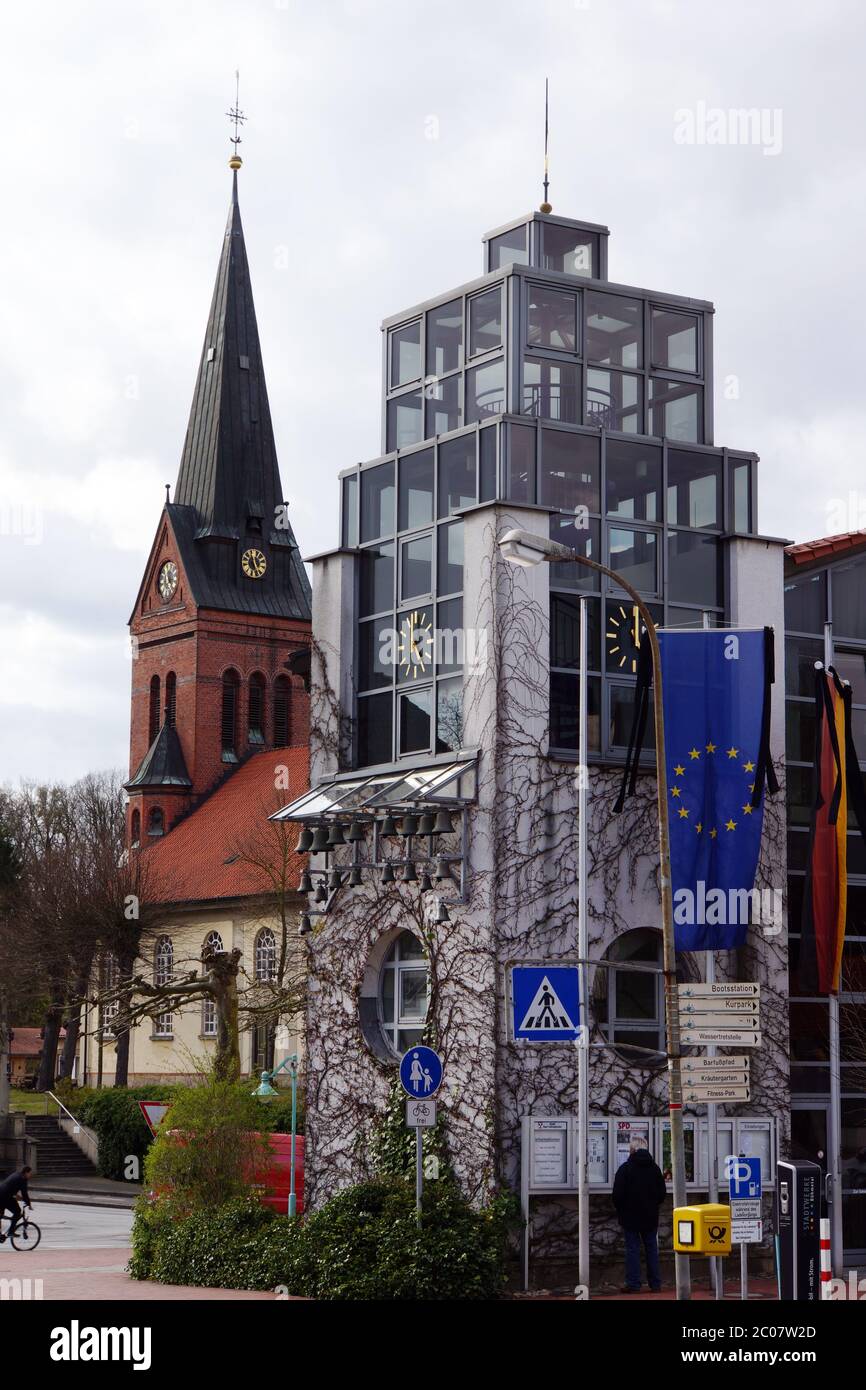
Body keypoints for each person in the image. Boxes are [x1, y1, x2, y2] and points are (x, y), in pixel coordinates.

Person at [612, 1138, 667, 1293]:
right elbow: (662, 1193)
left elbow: (617, 1195)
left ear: (632, 1150)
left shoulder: (625, 1168)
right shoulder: (655, 1169)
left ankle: (634, 1284)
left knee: (632, 1249)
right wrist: (652, 1205)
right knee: (651, 1248)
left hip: (630, 1217)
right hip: (650, 1216)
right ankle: (655, 1284)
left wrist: (622, 1209)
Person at [0, 1165, 33, 1243]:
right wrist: (28, 1204)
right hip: (5, 1197)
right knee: (17, 1212)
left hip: (1, 1194)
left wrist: (17, 1196)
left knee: (0, 1215)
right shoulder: (23, 1179)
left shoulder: (16, 1174)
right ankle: (11, 1232)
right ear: (26, 1173)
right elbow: (25, 1194)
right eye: (30, 1173)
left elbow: (10, 1186)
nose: (31, 1175)